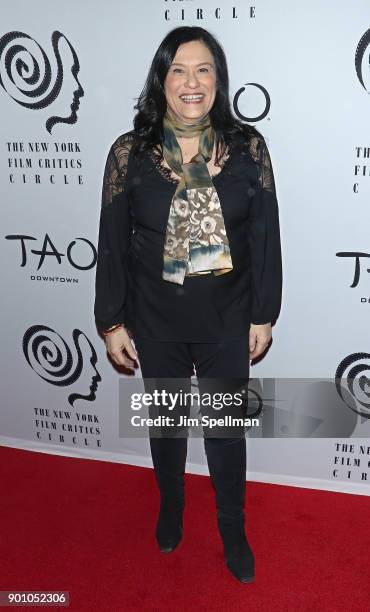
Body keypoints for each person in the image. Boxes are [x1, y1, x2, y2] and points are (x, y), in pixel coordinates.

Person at [94, 26, 282, 584]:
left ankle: (232, 528)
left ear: (218, 80)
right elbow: (112, 242)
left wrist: (263, 313)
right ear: (162, 79)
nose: (191, 82)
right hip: (155, 320)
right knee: (168, 426)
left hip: (228, 317)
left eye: (203, 69)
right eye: (179, 69)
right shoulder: (129, 153)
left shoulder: (248, 148)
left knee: (226, 431)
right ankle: (171, 506)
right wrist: (112, 321)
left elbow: (265, 237)